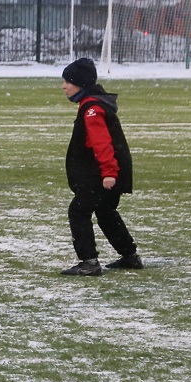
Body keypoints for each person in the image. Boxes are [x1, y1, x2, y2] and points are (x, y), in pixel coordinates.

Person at [59, 57, 142, 276]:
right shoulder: (94, 104)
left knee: (78, 211)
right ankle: (130, 256)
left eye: (68, 81)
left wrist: (108, 173)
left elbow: (102, 144)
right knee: (105, 211)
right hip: (108, 172)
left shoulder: (92, 110)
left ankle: (89, 262)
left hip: (102, 174)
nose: (64, 86)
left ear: (82, 84)